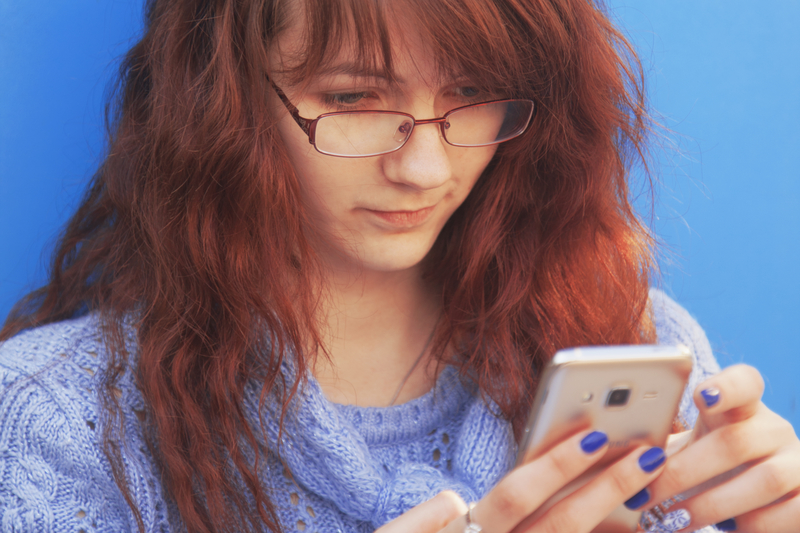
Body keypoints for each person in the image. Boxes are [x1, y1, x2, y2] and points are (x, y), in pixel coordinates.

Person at [0, 0, 798, 532]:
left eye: (474, 90)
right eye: (353, 99)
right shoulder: (55, 423)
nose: (423, 168)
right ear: (224, 99)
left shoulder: (633, 336)